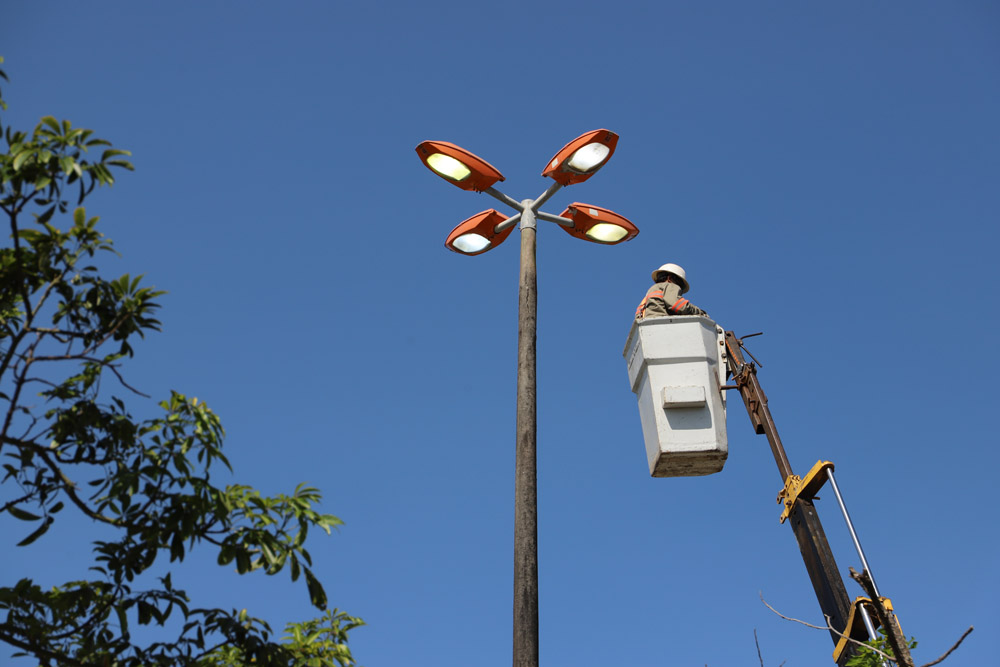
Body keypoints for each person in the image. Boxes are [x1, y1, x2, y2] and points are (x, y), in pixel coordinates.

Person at [635, 263, 709, 320]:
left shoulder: (650, 292)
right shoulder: (669, 285)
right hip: (663, 324)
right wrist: (700, 313)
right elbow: (679, 306)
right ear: (669, 278)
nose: (679, 287)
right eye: (679, 283)